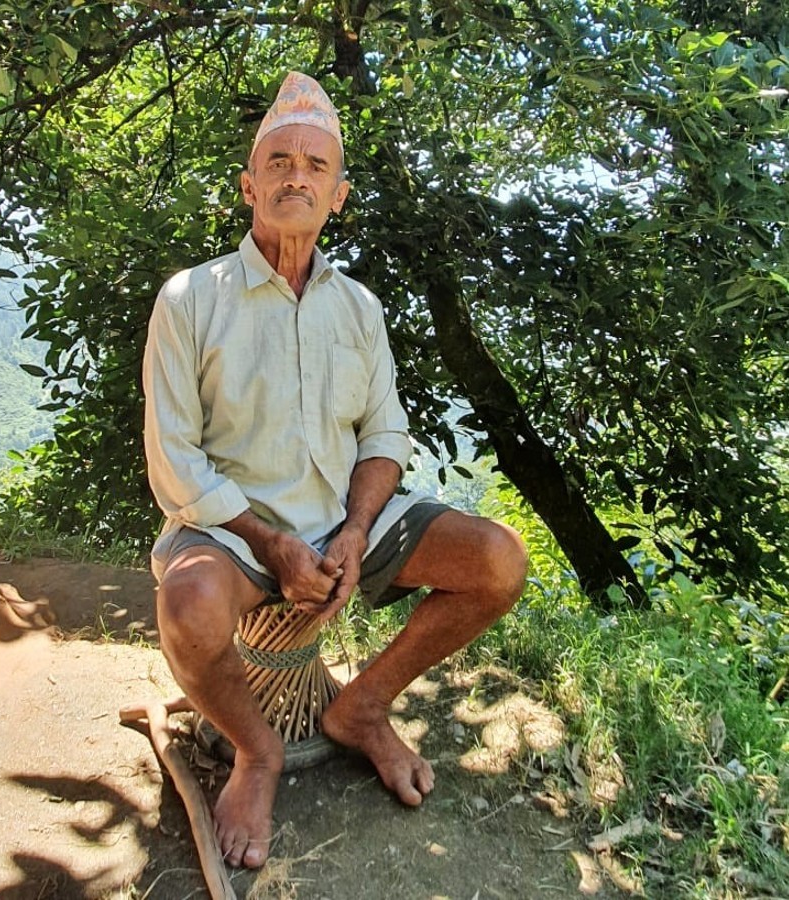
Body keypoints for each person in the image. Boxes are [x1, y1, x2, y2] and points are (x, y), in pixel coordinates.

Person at [142, 71, 528, 870]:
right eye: (279, 161)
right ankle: (257, 753)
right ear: (248, 185)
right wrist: (272, 543)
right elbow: (175, 460)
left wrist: (355, 531)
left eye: (316, 166)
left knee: (497, 561)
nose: (297, 176)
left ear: (339, 195)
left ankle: (363, 707)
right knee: (186, 606)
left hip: (344, 521)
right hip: (233, 531)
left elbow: (384, 433)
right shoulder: (189, 300)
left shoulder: (358, 307)